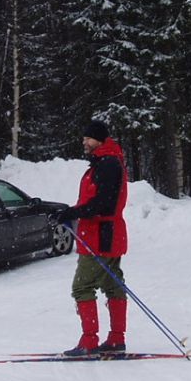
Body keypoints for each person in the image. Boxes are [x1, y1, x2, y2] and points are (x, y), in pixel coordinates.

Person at [51, 119, 129, 356]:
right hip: (107, 234)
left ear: (99, 140)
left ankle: (89, 342)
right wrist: (71, 212)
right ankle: (116, 340)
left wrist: (73, 213)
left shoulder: (107, 164)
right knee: (112, 284)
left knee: (82, 286)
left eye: (88, 138)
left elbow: (102, 204)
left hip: (100, 236)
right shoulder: (106, 162)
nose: (84, 142)